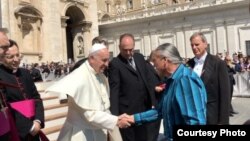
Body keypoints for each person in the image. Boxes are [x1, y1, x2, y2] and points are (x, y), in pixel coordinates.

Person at [45, 43, 130, 141]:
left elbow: (104, 106)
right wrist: (116, 121)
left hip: (98, 130)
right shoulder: (80, 77)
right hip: (81, 134)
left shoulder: (100, 75)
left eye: (108, 60)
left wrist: (116, 118)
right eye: (104, 60)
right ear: (91, 58)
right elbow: (90, 115)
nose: (107, 64)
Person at [126, 43, 207, 141]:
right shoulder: (171, 81)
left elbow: (196, 123)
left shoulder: (185, 80)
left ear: (165, 60)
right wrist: (133, 118)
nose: (154, 65)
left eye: (155, 61)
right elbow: (160, 111)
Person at [108, 33, 160, 141]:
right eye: (125, 50)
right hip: (127, 113)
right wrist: (115, 118)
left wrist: (153, 101)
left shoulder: (139, 58)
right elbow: (114, 91)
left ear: (134, 46)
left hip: (144, 110)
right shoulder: (115, 64)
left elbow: (148, 81)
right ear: (119, 48)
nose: (128, 53)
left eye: (130, 49)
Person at [0, 39, 45, 141]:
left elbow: (36, 98)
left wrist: (38, 121)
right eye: (10, 57)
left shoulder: (25, 73)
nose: (16, 59)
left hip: (34, 128)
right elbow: (6, 106)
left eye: (17, 55)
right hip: (15, 130)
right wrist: (30, 127)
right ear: (2, 58)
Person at [186, 32, 230, 124]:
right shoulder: (188, 64)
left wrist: (223, 121)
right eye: (192, 45)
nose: (194, 47)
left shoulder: (218, 63)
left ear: (205, 44)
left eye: (197, 44)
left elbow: (225, 94)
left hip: (211, 115)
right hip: (193, 115)